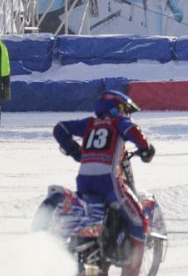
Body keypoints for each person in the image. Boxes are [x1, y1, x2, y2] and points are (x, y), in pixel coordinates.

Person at [53, 91, 156, 276]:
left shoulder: (89, 124)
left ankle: (96, 252)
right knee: (139, 221)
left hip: (84, 180)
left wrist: (74, 150)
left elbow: (60, 128)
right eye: (127, 111)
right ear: (120, 108)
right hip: (109, 182)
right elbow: (132, 131)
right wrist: (146, 147)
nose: (128, 115)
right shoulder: (119, 122)